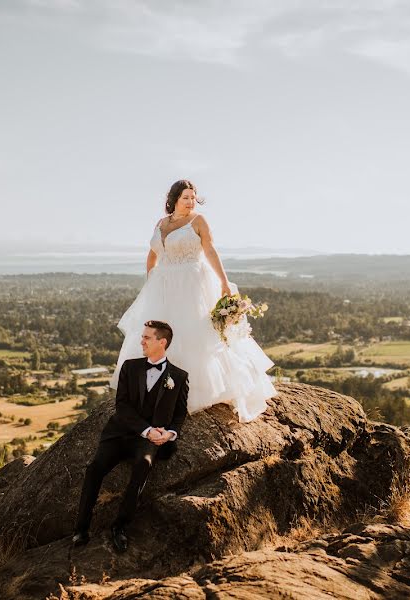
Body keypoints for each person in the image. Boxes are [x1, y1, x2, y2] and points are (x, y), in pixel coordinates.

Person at [110, 179, 277, 423]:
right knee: (157, 337)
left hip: (192, 283)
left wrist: (223, 282)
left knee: (195, 335)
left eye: (193, 197)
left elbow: (210, 250)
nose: (190, 202)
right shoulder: (160, 223)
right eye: (186, 197)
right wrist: (150, 282)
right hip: (163, 286)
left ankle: (198, 392)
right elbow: (152, 255)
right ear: (174, 199)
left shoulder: (198, 221)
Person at [73, 320, 188, 552]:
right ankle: (81, 528)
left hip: (148, 441)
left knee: (143, 464)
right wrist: (147, 429)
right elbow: (122, 406)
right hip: (119, 433)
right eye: (142, 337)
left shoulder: (179, 376)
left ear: (162, 342)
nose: (141, 341)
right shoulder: (130, 367)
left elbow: (179, 413)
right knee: (95, 468)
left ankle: (120, 526)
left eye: (147, 337)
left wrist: (169, 434)